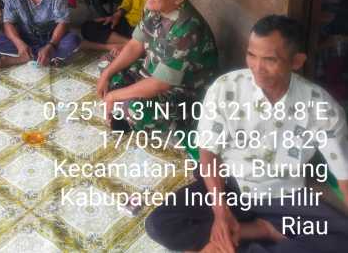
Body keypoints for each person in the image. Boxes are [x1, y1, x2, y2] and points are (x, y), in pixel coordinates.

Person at [145, 15, 348, 253]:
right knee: (160, 224)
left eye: (269, 59)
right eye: (252, 55)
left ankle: (247, 234)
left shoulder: (322, 107)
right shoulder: (225, 88)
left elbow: (343, 174)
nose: (257, 68)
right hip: (231, 185)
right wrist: (221, 211)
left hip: (284, 195)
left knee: (340, 237)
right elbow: (208, 153)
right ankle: (261, 232)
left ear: (297, 61)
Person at [96, 0, 218, 131]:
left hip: (182, 92)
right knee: (106, 64)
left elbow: (161, 84)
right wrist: (107, 74)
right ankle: (125, 103)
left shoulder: (188, 29)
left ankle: (141, 117)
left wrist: (113, 96)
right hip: (153, 70)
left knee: (136, 109)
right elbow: (135, 45)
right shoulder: (154, 7)